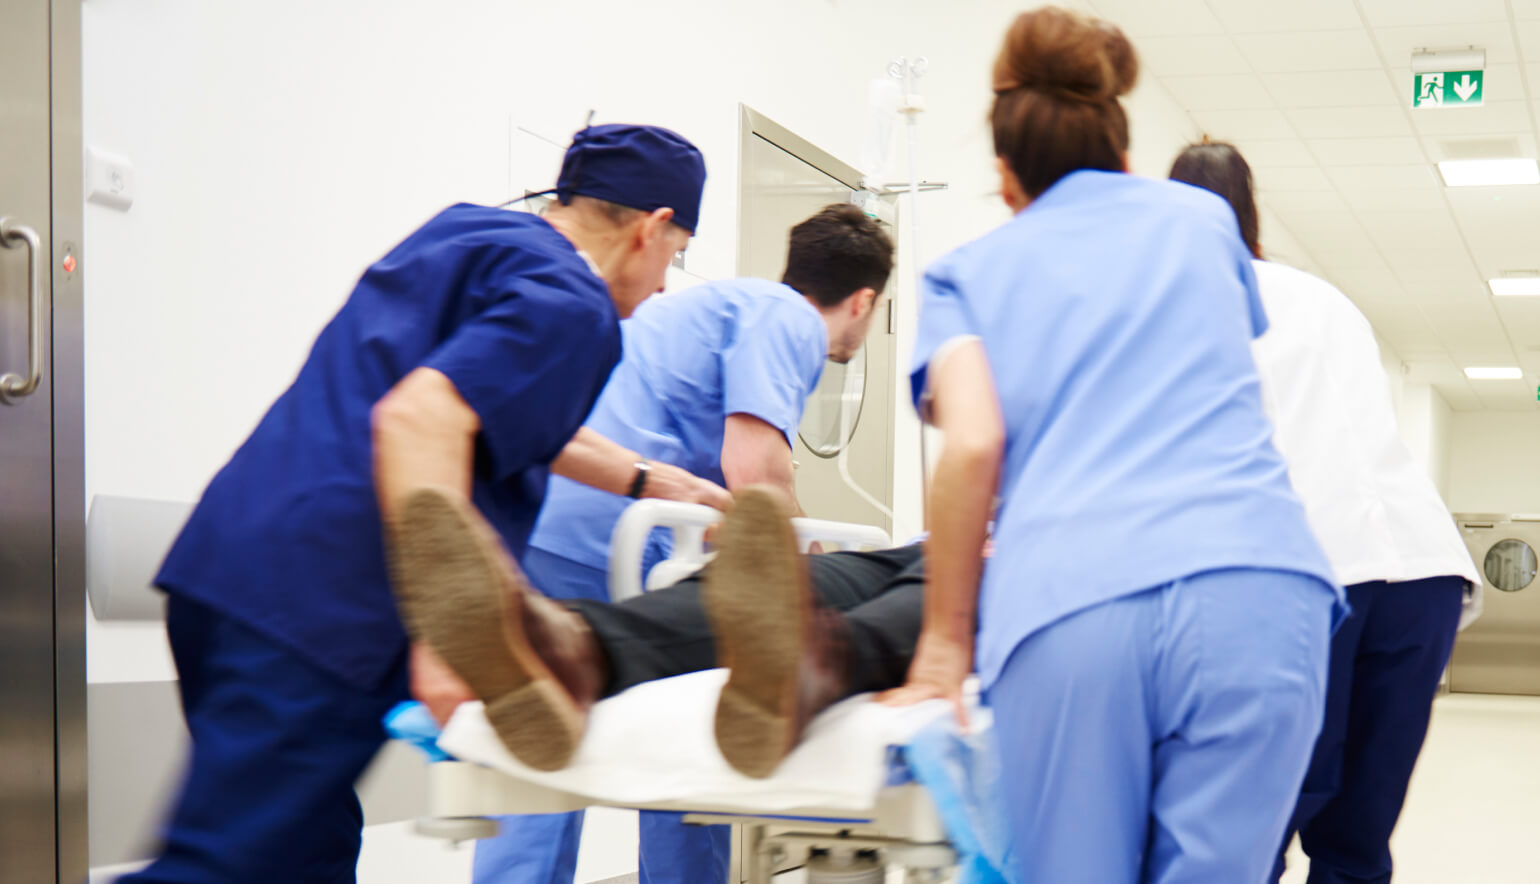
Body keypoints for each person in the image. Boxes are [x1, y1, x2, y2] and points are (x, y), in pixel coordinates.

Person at [127, 123, 717, 884]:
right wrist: (450, 632)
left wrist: (656, 480)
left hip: (229, 567)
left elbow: (483, 403)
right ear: (653, 227)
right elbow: (421, 418)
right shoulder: (574, 305)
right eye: (677, 255)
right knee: (227, 867)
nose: (666, 283)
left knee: (306, 852)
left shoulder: (469, 236)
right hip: (328, 605)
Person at [881, 8, 1344, 883]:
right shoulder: (1205, 226)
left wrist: (943, 643)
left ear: (1006, 174)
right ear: (1122, 151)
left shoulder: (966, 275)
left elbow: (975, 444)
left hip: (1074, 605)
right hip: (1260, 593)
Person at [471, 202, 895, 884]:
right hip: (619, 537)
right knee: (689, 748)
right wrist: (818, 581)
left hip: (547, 518)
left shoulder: (715, 306)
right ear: (864, 300)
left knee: (540, 756)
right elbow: (756, 475)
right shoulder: (786, 320)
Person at [1170, 141, 1482, 884]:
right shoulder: (1325, 298)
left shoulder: (1190, 297)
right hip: (1423, 575)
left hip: (1314, 578)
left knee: (1252, 829)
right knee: (1355, 841)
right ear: (1252, 208)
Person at [393, 485, 922, 768]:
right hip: (932, 543)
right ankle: (574, 647)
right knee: (802, 580)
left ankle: (819, 661)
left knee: (950, 582)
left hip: (995, 564)